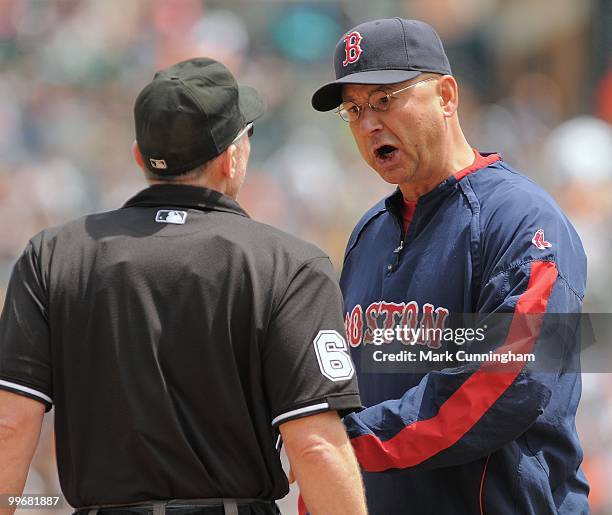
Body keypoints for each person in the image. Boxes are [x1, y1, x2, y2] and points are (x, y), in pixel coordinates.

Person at [0, 57, 367, 515]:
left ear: (139, 156)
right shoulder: (289, 264)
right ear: (231, 157)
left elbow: (10, 425)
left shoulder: (52, 255)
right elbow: (316, 449)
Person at [311, 18, 589, 515]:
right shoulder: (367, 235)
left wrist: (349, 444)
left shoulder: (522, 218)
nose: (369, 123)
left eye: (385, 100)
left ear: (445, 95)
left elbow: (510, 377)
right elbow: (341, 387)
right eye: (353, 109)